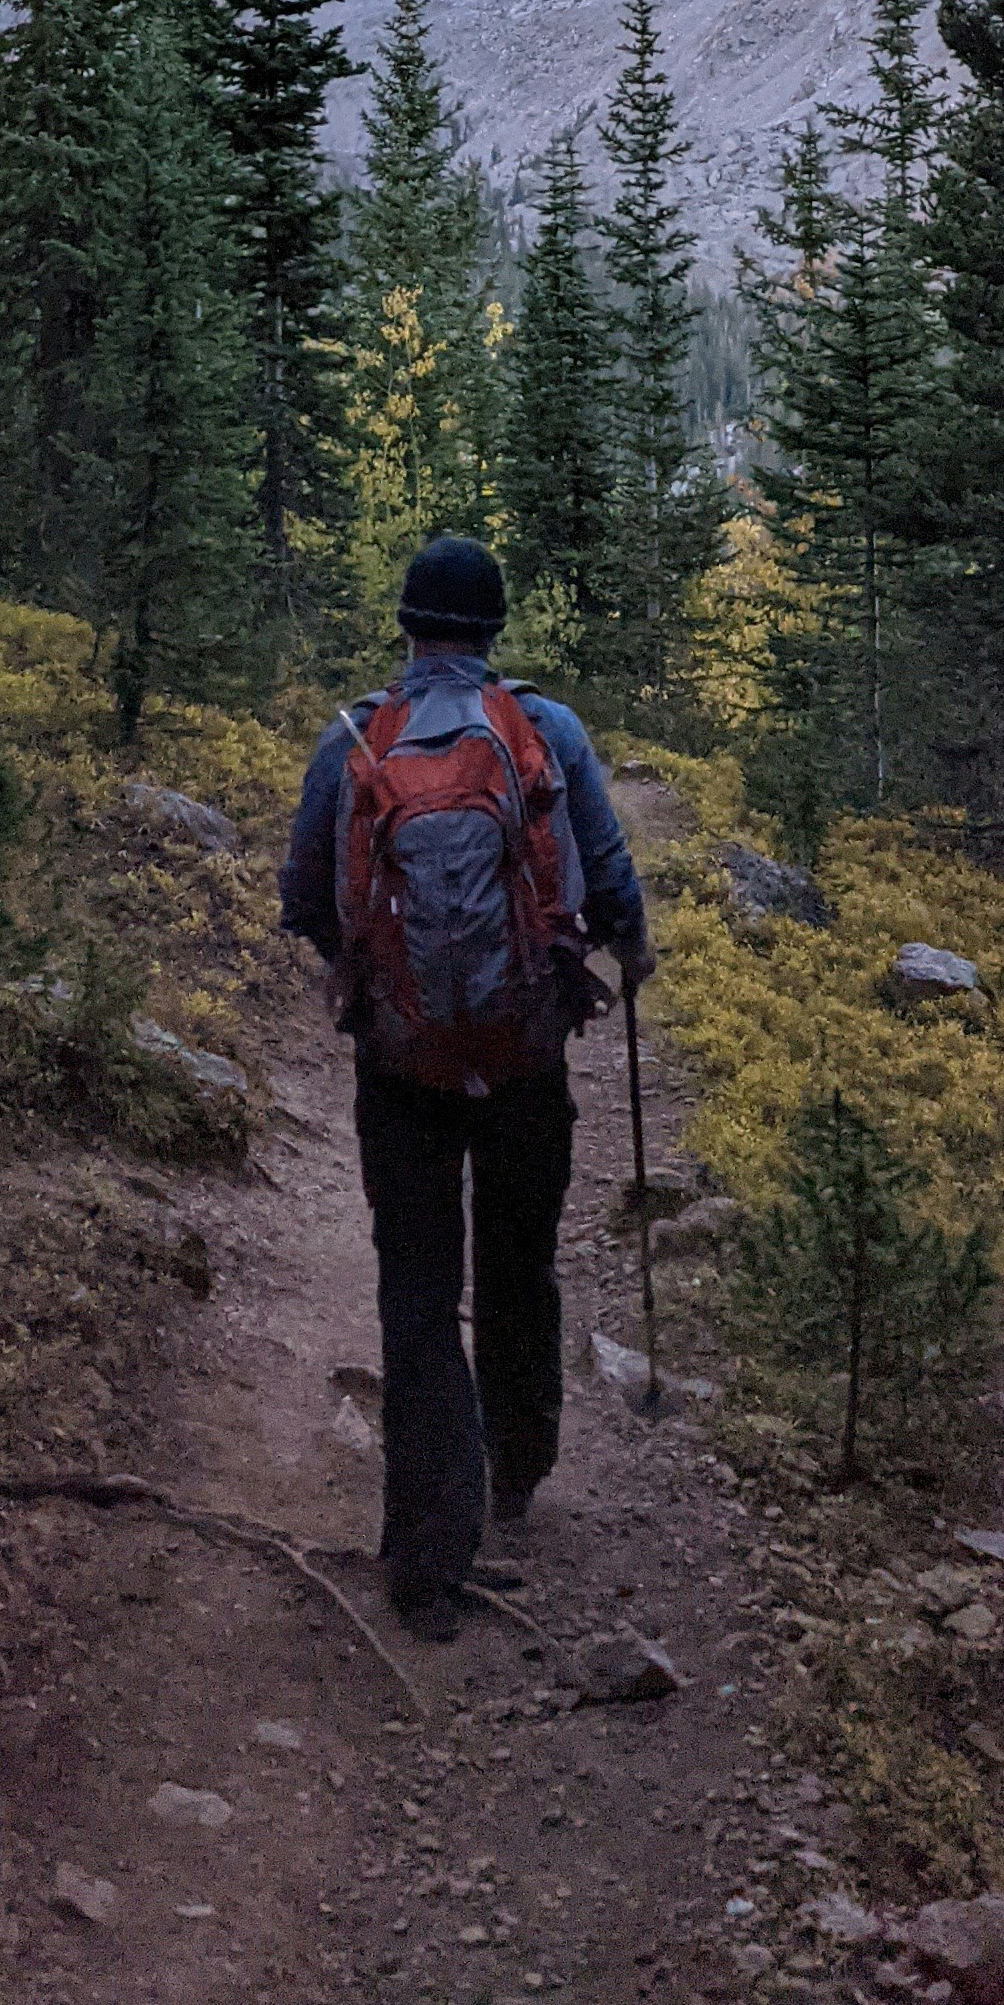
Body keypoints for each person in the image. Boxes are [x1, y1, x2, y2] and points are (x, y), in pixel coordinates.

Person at [280, 532, 652, 1637]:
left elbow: (305, 893)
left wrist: (368, 976)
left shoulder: (353, 737)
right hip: (526, 1054)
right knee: (519, 1258)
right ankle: (519, 1468)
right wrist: (627, 947)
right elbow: (607, 865)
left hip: (402, 1064)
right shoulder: (548, 729)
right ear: (492, 630)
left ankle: (427, 1554)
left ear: (406, 626)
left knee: (417, 1287)